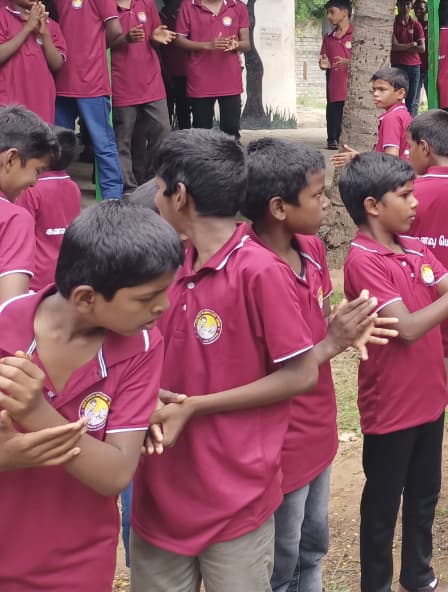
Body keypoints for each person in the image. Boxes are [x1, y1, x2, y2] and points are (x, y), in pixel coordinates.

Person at [128, 129, 319, 591]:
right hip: (159, 495)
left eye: (159, 189)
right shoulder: (161, 266)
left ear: (180, 196)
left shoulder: (259, 271)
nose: (156, 199)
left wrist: (196, 406)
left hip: (237, 499)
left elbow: (301, 373)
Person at [0, 200, 180, 592]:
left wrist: (37, 411)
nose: (163, 306)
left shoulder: (141, 346)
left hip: (76, 567)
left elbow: (114, 474)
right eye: (147, 297)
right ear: (85, 298)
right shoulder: (5, 327)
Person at [243, 139, 391, 592]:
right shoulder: (252, 270)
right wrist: (334, 340)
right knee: (282, 555)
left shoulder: (311, 249)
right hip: (280, 441)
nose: (327, 202)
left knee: (313, 544)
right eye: (317, 194)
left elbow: (317, 325)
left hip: (318, 426)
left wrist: (345, 329)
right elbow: (284, 365)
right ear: (279, 208)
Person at [341, 151, 448, 592]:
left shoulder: (416, 248)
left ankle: (418, 577)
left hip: (429, 397)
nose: (415, 203)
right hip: (391, 405)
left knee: (424, 495)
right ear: (372, 205)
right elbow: (405, 328)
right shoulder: (363, 260)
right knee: (383, 504)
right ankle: (377, 584)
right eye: (404, 195)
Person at [45, 0, 126, 199]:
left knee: (102, 142)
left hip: (91, 83)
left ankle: (112, 197)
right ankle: (56, 191)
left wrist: (92, 52)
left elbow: (115, 30)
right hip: (62, 82)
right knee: (57, 142)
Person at [405, 110, 448, 389]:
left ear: (424, 147)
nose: (407, 154)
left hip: (419, 323)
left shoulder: (407, 195)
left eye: (409, 146)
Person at [108, 0, 174, 191]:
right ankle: (127, 187)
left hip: (151, 79)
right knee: (123, 137)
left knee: (162, 130)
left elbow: (155, 33)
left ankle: (152, 182)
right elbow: (97, 43)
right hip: (120, 80)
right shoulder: (104, 1)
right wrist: (124, 38)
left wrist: (157, 37)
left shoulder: (145, 0)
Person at [173, 0, 250, 138]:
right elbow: (179, 41)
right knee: (202, 133)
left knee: (231, 131)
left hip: (230, 79)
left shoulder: (238, 7)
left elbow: (247, 44)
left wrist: (236, 44)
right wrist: (208, 45)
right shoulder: (188, 5)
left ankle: (231, 158)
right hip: (199, 79)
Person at [0, 104, 59, 302]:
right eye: (37, 171)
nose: (34, 182)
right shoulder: (13, 219)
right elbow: (10, 308)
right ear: (11, 159)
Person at [17, 126, 80, 291]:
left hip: (34, 278)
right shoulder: (73, 187)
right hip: (63, 272)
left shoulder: (31, 189)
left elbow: (21, 235)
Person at [0, 0, 66, 122]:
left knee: (41, 136)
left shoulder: (51, 24)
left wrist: (44, 33)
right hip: (8, 101)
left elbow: (57, 64)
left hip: (41, 99)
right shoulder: (2, 18)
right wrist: (28, 28)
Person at [332, 68, 413, 167]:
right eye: (374, 90)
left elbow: (391, 161)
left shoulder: (391, 118)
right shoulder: (404, 114)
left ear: (400, 93)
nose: (375, 94)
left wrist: (361, 160)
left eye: (382, 89)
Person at [318, 0, 354, 150]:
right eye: (327, 13)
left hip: (352, 84)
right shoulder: (329, 37)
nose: (329, 16)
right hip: (335, 82)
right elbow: (324, 59)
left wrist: (347, 62)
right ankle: (332, 138)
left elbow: (365, 59)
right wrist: (323, 64)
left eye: (332, 12)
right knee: (334, 110)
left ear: (344, 13)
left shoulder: (356, 34)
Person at [157, 0, 191, 130]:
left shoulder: (181, 19)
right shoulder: (159, 20)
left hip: (184, 73)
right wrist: (164, 73)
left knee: (185, 112)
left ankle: (186, 140)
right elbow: (157, 50)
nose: (184, 0)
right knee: (166, 112)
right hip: (166, 74)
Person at [391, 0, 426, 117]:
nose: (405, 7)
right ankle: (397, 124)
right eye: (402, 4)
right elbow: (393, 47)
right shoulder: (392, 23)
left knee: (411, 102)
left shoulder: (416, 25)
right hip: (397, 66)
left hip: (414, 67)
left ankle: (409, 126)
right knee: (396, 99)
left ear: (411, 6)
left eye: (407, 4)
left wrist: (401, 47)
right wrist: (411, 44)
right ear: (397, 5)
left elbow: (422, 48)